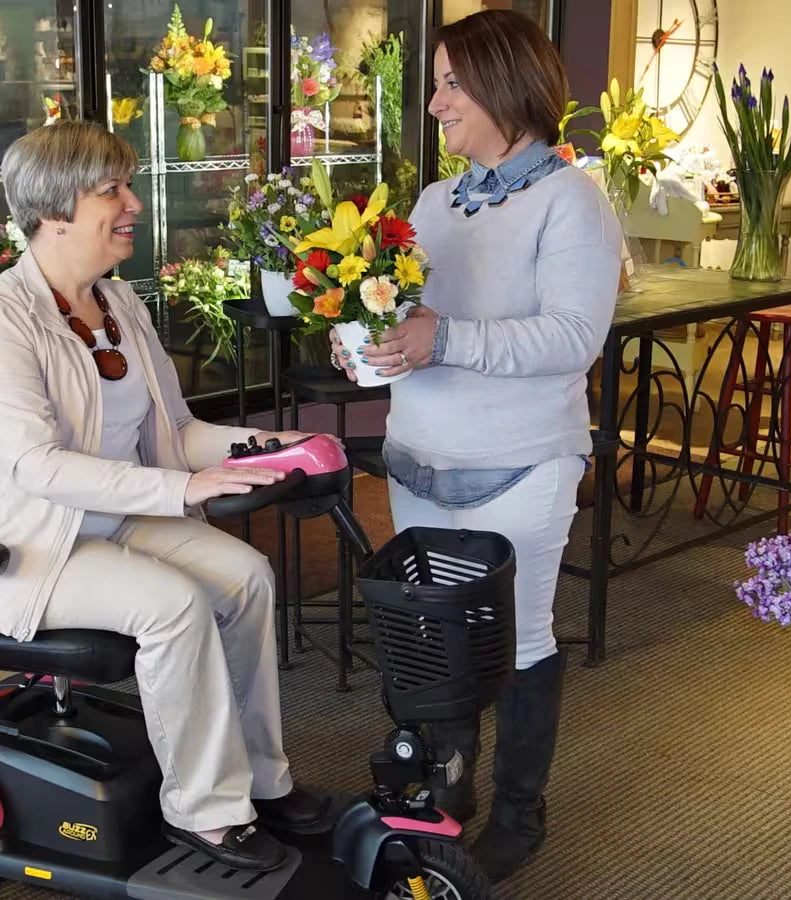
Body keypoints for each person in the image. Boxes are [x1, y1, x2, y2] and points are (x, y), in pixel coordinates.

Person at [0, 121, 330, 873]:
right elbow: (38, 467)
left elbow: (176, 433)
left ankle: (261, 780)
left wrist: (266, 451)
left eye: (127, 185)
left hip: (110, 521)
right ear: (53, 213)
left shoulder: (119, 304)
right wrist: (185, 489)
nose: (132, 203)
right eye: (111, 190)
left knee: (245, 577)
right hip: (22, 547)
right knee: (171, 604)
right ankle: (204, 813)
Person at [329, 9, 623, 883]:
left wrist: (443, 340)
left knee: (521, 638)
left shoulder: (571, 200)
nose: (434, 104)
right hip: (419, 458)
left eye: (453, 82)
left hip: (522, 465)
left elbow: (573, 337)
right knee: (432, 637)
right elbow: (404, 321)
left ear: (506, 83)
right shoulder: (431, 201)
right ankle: (447, 790)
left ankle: (524, 814)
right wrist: (365, 345)